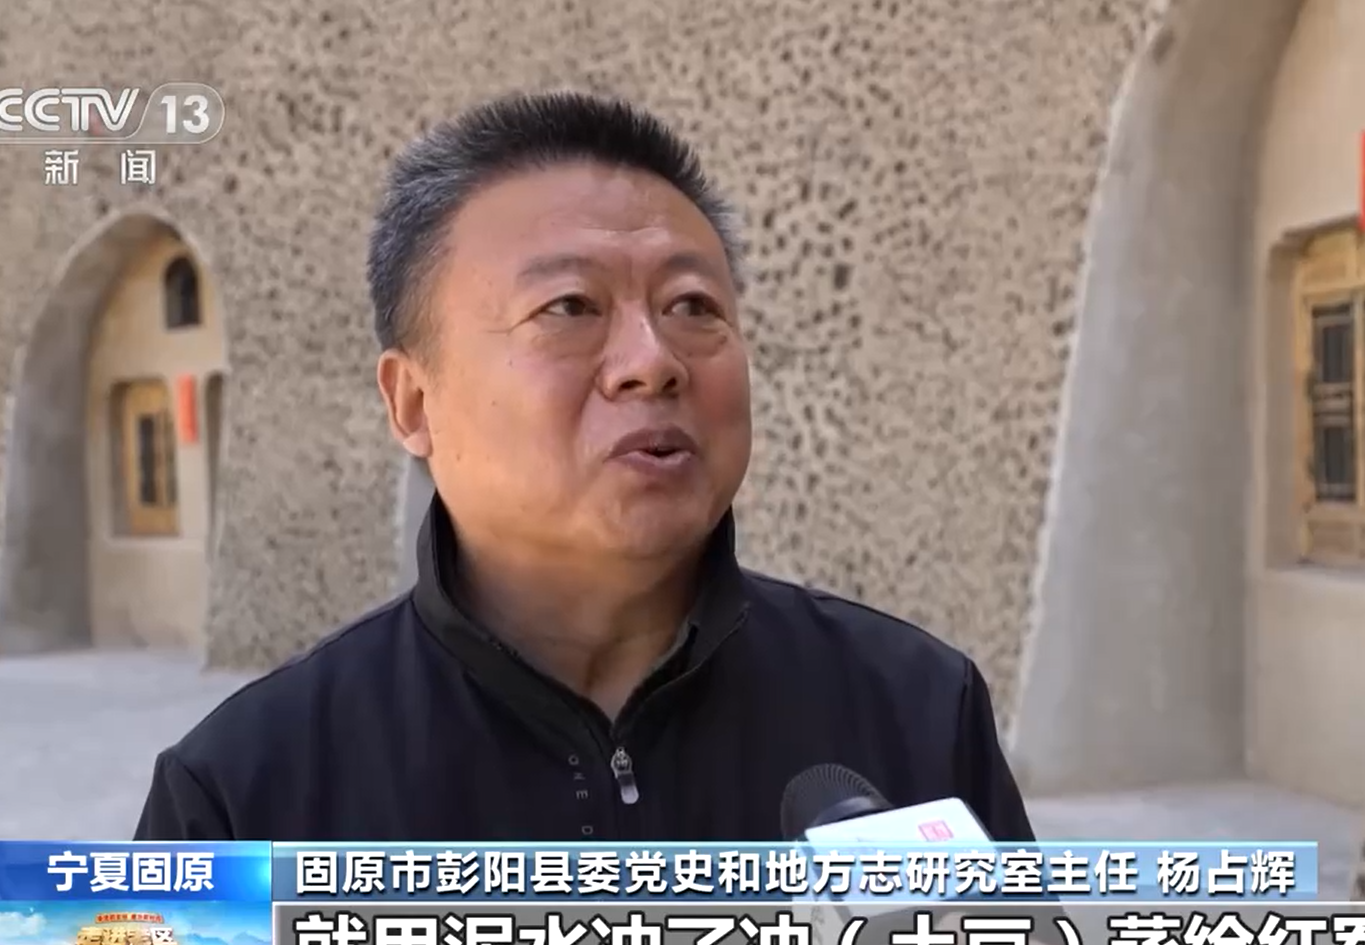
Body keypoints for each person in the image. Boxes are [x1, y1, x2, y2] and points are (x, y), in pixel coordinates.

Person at [132, 91, 1044, 850]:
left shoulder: (917, 707)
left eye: (692, 305)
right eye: (569, 306)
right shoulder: (237, 793)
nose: (652, 360)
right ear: (412, 402)